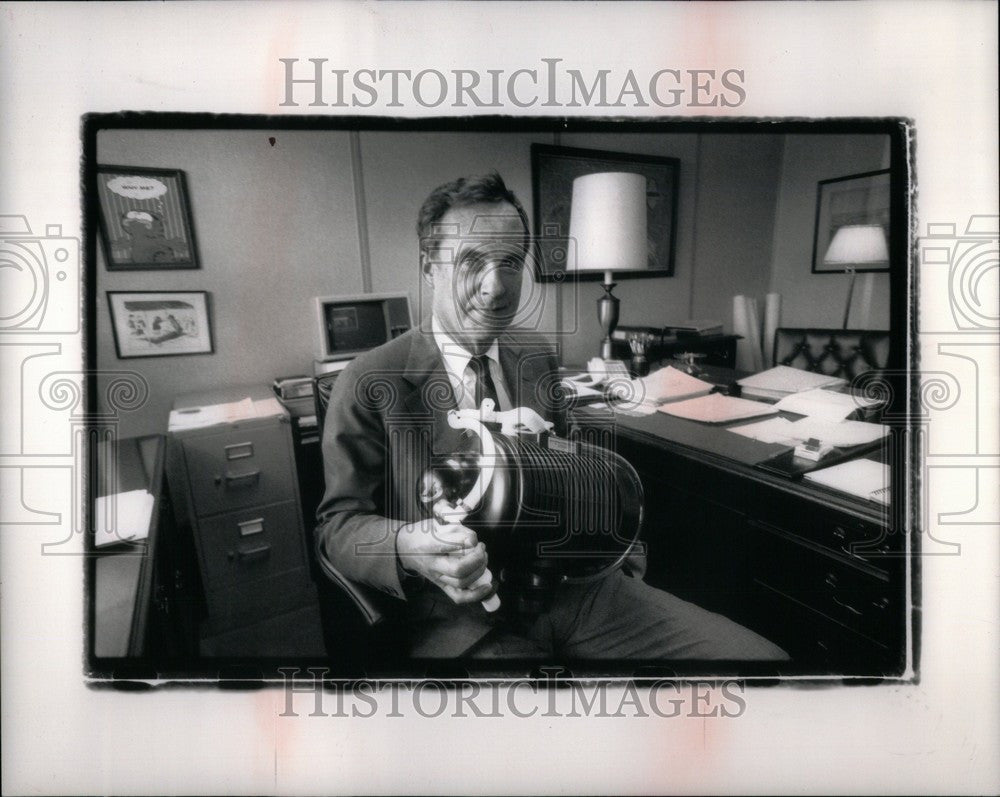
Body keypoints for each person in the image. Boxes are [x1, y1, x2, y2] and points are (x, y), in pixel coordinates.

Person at [316, 172, 787, 661]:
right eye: (471, 262)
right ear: (429, 266)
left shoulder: (534, 355)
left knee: (764, 666)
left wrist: (621, 547)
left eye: (511, 263)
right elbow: (337, 527)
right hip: (461, 621)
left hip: (576, 591)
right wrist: (409, 545)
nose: (495, 287)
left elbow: (575, 466)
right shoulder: (371, 379)